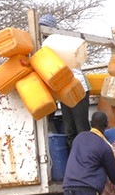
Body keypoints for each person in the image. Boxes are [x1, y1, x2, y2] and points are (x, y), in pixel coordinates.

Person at [39, 14, 90, 152]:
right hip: (64, 92)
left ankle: (87, 159)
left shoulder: (55, 43)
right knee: (70, 131)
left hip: (78, 88)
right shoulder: (44, 46)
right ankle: (75, 160)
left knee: (81, 129)